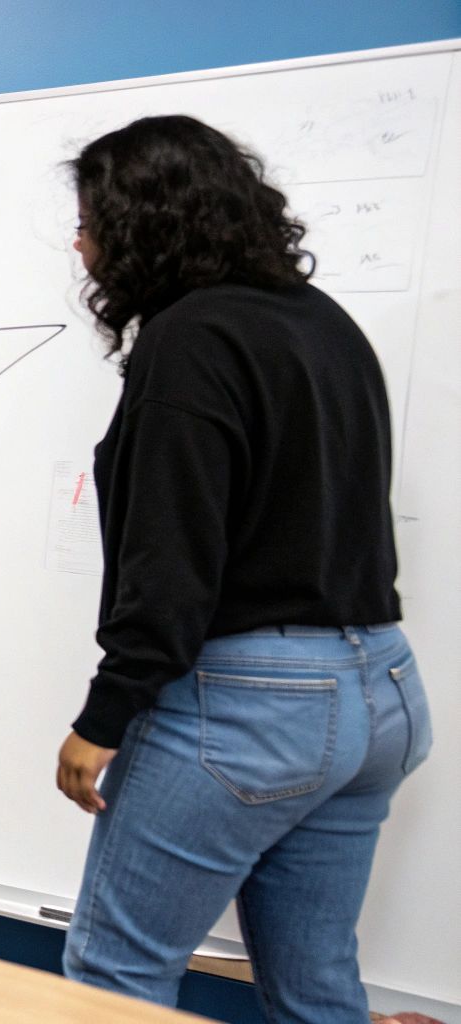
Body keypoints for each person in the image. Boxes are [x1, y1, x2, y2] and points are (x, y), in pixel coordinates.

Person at [54, 115, 432, 1020]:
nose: (79, 244)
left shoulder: (188, 339)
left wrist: (104, 715)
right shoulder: (323, 321)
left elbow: (172, 557)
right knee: (315, 988)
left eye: (90, 221)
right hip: (380, 689)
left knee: (115, 979)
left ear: (141, 224)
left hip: (255, 706)